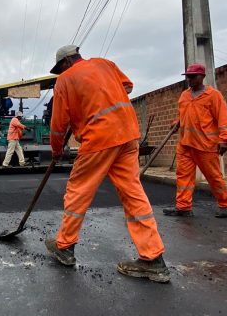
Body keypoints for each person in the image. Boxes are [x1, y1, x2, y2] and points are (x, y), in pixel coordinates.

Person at [44, 45, 170, 283]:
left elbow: (58, 123)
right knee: (133, 194)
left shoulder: (65, 80)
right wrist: (100, 95)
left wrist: (56, 149)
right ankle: (153, 259)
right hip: (128, 134)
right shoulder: (105, 64)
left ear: (65, 63)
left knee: (77, 192)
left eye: (59, 68)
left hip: (99, 138)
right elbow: (128, 86)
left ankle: (65, 246)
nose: (59, 72)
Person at [162, 63, 227, 218]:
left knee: (213, 176)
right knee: (183, 177)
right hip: (185, 144)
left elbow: (224, 118)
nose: (190, 79)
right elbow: (184, 115)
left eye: (193, 76)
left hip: (205, 145)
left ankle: (226, 205)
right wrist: (176, 123)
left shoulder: (213, 95)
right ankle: (183, 207)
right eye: (188, 76)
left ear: (202, 77)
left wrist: (224, 139)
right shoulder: (184, 96)